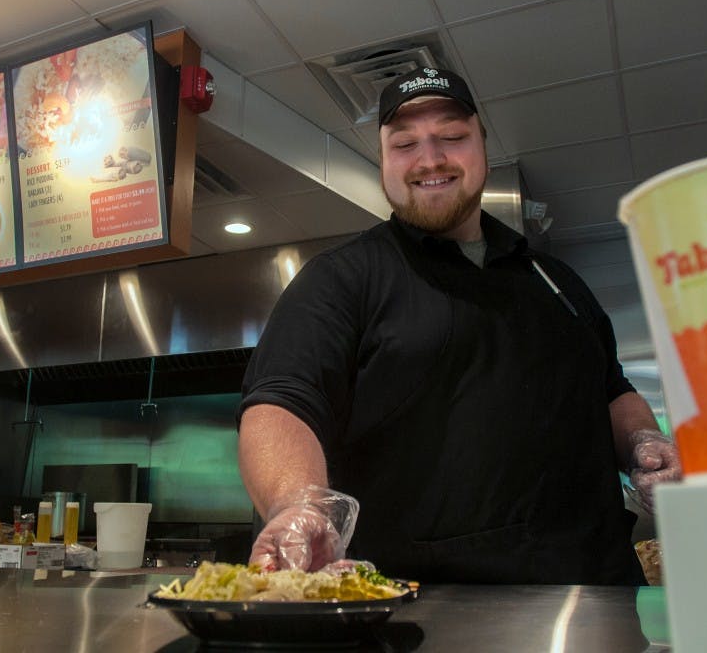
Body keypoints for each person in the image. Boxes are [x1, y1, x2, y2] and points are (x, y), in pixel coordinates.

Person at [237, 66, 681, 585]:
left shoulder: (556, 280)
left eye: (451, 137)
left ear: (482, 146)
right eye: (405, 143)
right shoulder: (341, 280)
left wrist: (644, 441)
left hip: (598, 594)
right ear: (382, 159)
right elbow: (281, 401)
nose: (430, 159)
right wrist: (296, 504)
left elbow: (612, 391)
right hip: (429, 610)